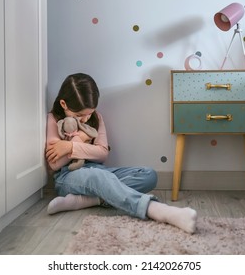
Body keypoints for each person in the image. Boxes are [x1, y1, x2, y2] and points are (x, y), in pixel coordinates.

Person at [45, 73, 197, 234]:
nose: (84, 119)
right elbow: (55, 163)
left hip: (99, 170)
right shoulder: (54, 119)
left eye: (89, 113)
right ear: (64, 104)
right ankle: (160, 211)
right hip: (67, 176)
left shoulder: (96, 118)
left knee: (149, 175)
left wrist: (69, 147)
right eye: (79, 115)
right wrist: (80, 139)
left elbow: (102, 153)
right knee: (99, 176)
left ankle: (88, 200)